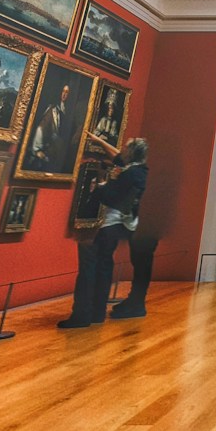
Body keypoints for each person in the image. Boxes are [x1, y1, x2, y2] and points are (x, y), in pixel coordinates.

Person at [57, 137, 150, 326]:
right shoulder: (139, 171)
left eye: (126, 148)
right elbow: (117, 156)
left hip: (109, 225)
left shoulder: (130, 174)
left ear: (131, 153)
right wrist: (97, 140)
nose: (122, 150)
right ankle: (97, 313)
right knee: (104, 267)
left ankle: (82, 315)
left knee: (90, 267)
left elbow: (110, 197)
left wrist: (100, 183)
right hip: (120, 226)